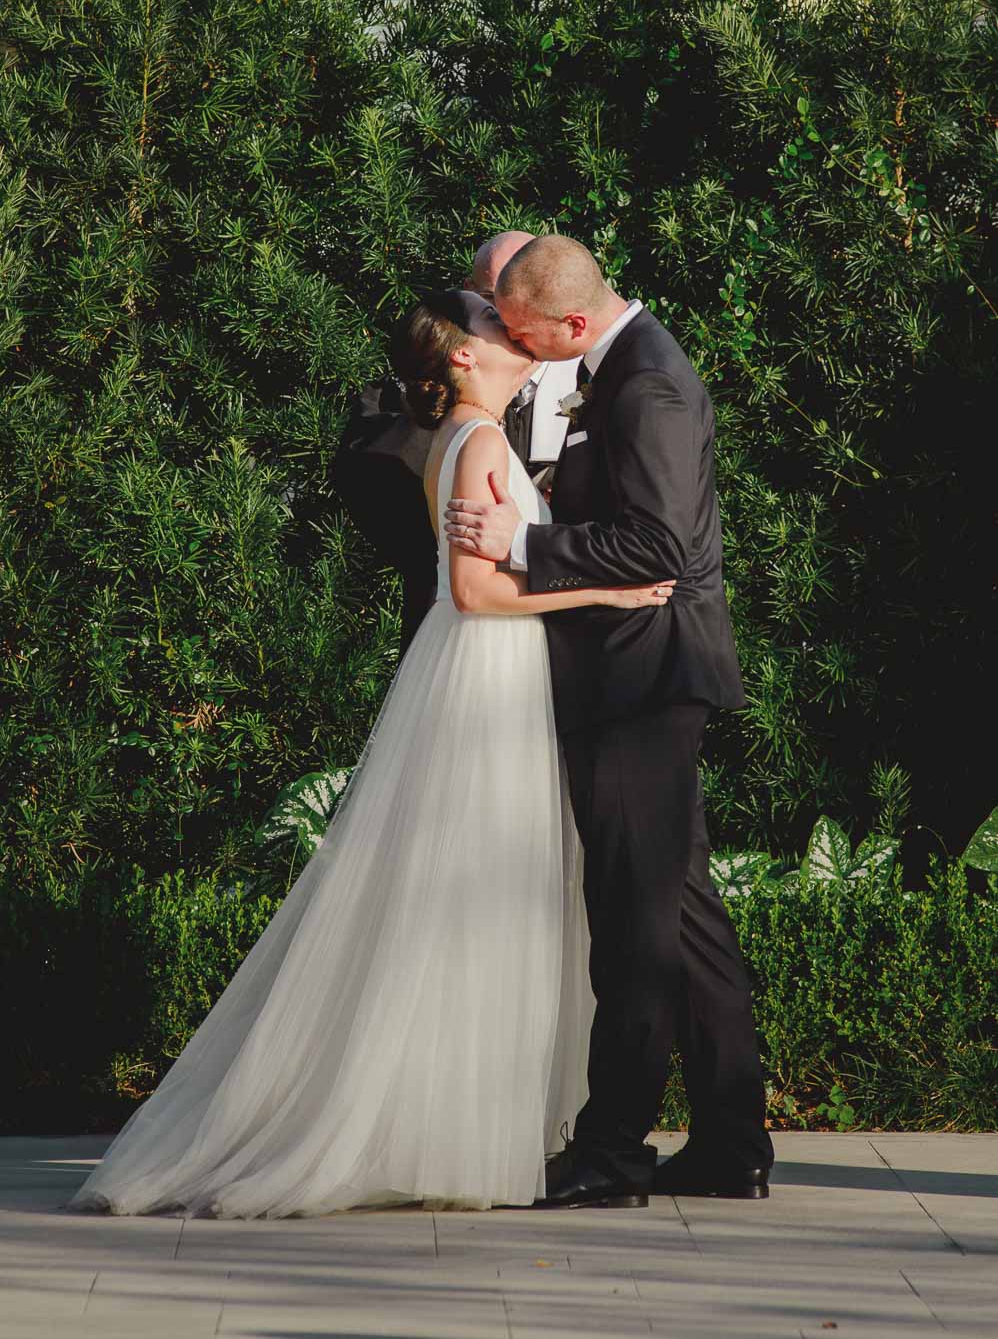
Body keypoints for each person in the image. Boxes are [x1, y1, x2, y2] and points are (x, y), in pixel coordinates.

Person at [68, 289, 674, 1218]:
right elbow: (475, 594)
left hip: (492, 677)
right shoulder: (475, 444)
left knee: (467, 899)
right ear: (465, 358)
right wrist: (605, 596)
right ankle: (433, 1133)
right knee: (464, 900)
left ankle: (448, 1129)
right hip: (481, 678)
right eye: (493, 327)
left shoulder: (477, 437)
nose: (515, 335)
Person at [445, 235, 775, 1207]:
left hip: (642, 678)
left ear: (573, 324)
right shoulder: (619, 368)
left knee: (630, 926)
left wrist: (525, 538)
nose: (513, 343)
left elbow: (655, 547)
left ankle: (613, 1152)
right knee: (681, 914)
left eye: (523, 330)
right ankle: (728, 1141)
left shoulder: (645, 385)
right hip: (637, 676)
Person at [332, 232, 577, 656]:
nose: (512, 316)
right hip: (463, 635)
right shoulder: (425, 409)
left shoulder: (592, 385)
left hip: (554, 642)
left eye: (526, 296)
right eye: (493, 300)